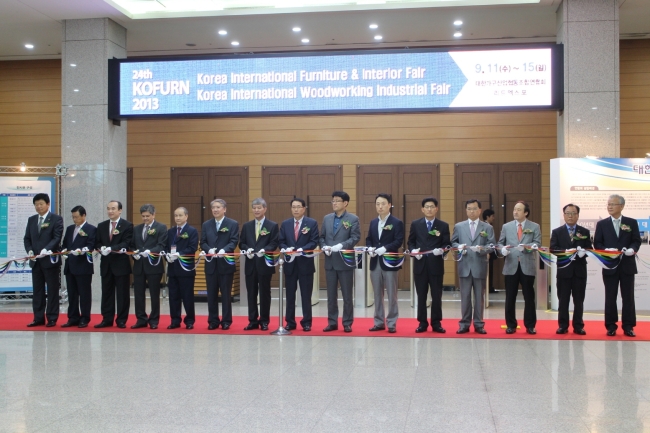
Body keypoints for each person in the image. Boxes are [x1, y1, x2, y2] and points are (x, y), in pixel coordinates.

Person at [593, 194, 642, 337]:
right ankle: (611, 326)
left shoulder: (631, 222)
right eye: (608, 204)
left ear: (621, 206)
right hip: (610, 265)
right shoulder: (602, 224)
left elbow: (636, 240)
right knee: (610, 296)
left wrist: (632, 249)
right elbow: (597, 243)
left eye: (613, 204)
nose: (609, 207)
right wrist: (606, 251)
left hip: (627, 265)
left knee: (628, 297)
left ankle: (628, 326)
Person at [451, 199, 495, 334]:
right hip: (464, 265)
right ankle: (464, 323)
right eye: (469, 209)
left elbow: (492, 245)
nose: (472, 211)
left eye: (474, 209)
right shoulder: (459, 226)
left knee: (479, 296)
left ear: (480, 210)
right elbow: (453, 243)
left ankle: (479, 323)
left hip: (479, 265)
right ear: (466, 210)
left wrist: (481, 249)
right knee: (465, 296)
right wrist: (459, 247)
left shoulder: (487, 228)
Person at [498, 201, 542, 335]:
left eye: (519, 210)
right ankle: (511, 324)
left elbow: (537, 243)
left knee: (529, 297)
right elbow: (500, 243)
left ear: (526, 213)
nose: (515, 212)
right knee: (510, 297)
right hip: (511, 265)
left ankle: (530, 325)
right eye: (514, 209)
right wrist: (502, 250)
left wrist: (528, 248)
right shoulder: (507, 226)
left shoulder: (534, 226)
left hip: (527, 265)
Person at [319, 191, 360, 333]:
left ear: (345, 203)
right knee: (331, 294)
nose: (334, 203)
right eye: (333, 201)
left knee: (347, 294)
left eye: (337, 200)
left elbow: (355, 237)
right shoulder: (327, 218)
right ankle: (332, 322)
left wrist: (341, 246)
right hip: (330, 261)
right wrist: (324, 246)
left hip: (345, 261)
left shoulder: (353, 219)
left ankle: (347, 322)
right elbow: (322, 236)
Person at [408, 197, 450, 334]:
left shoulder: (443, 225)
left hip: (436, 265)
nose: (429, 209)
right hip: (420, 265)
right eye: (427, 206)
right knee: (421, 295)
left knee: (436, 295)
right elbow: (411, 241)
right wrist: (413, 251)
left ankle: (436, 323)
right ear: (422, 209)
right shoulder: (415, 224)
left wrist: (442, 250)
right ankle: (422, 322)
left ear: (436, 209)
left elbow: (447, 244)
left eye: (432, 206)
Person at [550, 203, 592, 335]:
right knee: (563, 300)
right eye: (568, 213)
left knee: (579, 300)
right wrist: (565, 252)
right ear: (564, 215)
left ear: (578, 215)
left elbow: (590, 249)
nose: (570, 216)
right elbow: (553, 249)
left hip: (579, 271)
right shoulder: (557, 232)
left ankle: (578, 325)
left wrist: (583, 252)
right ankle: (563, 325)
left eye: (573, 213)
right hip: (564, 271)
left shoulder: (584, 232)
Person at [279, 198, 319, 332]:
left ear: (304, 208)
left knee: (306, 296)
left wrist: (303, 248)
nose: (295, 209)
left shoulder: (311, 223)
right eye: (293, 207)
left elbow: (314, 241)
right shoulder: (285, 224)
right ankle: (290, 322)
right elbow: (281, 241)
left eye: (298, 207)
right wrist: (285, 248)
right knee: (290, 295)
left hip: (305, 264)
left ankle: (306, 322)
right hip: (290, 264)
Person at [366, 193, 404, 334]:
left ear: (389, 205)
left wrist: (385, 248)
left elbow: (398, 241)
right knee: (377, 294)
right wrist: (370, 247)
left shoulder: (396, 222)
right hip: (375, 262)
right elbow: (369, 238)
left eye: (383, 203)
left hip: (390, 262)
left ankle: (392, 322)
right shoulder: (373, 222)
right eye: (377, 204)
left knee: (391, 294)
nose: (380, 206)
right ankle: (379, 322)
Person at [23, 193, 63, 327]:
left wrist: (47, 249)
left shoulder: (56, 219)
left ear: (48, 204)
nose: (38, 207)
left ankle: (52, 317)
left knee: (52, 290)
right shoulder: (32, 220)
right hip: (35, 261)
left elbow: (57, 238)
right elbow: (27, 238)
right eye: (36, 204)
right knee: (37, 291)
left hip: (50, 261)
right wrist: (29, 250)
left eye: (41, 204)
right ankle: (38, 318)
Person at [239, 198, 279, 331]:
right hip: (250, 264)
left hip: (264, 264)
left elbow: (274, 243)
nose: (256, 210)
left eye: (259, 208)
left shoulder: (272, 225)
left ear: (265, 209)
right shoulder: (247, 226)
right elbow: (242, 243)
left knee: (264, 293)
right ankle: (252, 320)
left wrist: (265, 250)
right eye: (254, 208)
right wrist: (246, 250)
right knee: (251, 293)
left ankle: (264, 320)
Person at [200, 199, 239, 330]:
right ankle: (213, 320)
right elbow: (203, 242)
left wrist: (224, 250)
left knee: (226, 294)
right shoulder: (206, 224)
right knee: (211, 294)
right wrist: (208, 249)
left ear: (224, 209)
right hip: (211, 265)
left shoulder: (232, 224)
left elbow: (234, 241)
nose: (215, 210)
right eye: (213, 208)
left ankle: (226, 320)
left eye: (218, 207)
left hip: (225, 264)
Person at [94, 200, 133, 329]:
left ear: (120, 210)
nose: (110, 211)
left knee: (122, 294)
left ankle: (121, 320)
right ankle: (107, 319)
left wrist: (111, 248)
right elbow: (97, 242)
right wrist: (101, 248)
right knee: (106, 293)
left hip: (121, 265)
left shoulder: (127, 225)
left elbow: (126, 243)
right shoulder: (102, 226)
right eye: (108, 208)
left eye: (113, 209)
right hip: (106, 265)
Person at [130, 204, 168, 330]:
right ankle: (141, 319)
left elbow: (161, 245)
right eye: (143, 216)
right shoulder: (136, 229)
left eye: (147, 216)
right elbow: (132, 245)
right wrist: (134, 253)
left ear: (153, 215)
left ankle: (154, 320)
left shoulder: (161, 227)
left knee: (154, 294)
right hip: (139, 266)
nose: (145, 218)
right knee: (139, 294)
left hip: (153, 266)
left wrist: (150, 251)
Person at [60, 205, 96, 328]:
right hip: (70, 266)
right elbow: (65, 244)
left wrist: (82, 250)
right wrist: (64, 251)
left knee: (84, 294)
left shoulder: (91, 229)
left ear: (83, 215)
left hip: (83, 266)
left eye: (76, 217)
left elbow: (91, 245)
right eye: (73, 217)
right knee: (72, 293)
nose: (74, 219)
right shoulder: (70, 229)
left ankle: (85, 318)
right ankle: (73, 317)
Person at [165, 207, 198, 330]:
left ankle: (189, 320)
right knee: (173, 296)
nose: (177, 218)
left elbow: (192, 247)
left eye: (180, 215)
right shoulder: (171, 231)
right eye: (176, 216)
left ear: (186, 216)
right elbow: (166, 247)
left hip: (186, 269)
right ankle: (175, 320)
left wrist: (179, 254)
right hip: (173, 268)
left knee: (187, 296)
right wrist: (167, 255)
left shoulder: (192, 231)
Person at [482, 209, 497, 293]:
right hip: (486, 253)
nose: (493, 218)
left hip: (491, 251)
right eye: (492, 216)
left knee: (491, 270)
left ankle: (490, 287)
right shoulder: (483, 227)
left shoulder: (490, 226)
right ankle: (488, 287)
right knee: (487, 271)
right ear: (487, 217)